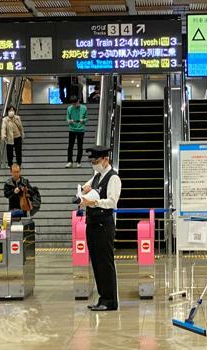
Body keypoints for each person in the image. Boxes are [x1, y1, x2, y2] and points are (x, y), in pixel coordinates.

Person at [80, 146, 121, 311]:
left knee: (105, 263)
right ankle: (102, 297)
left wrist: (94, 202)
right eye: (92, 162)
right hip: (92, 224)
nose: (94, 164)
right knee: (96, 263)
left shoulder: (113, 178)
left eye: (96, 161)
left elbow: (112, 202)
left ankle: (110, 300)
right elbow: (84, 188)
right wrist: (84, 192)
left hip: (104, 224)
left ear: (105, 160)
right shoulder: (97, 176)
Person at [66, 96, 88, 168]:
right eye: (73, 104)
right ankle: (69, 161)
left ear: (78, 101)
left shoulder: (84, 108)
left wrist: (83, 120)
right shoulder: (69, 108)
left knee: (80, 146)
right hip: (72, 129)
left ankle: (78, 162)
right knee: (70, 146)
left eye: (76, 103)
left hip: (81, 129)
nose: (75, 105)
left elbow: (86, 118)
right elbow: (67, 118)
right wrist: (69, 121)